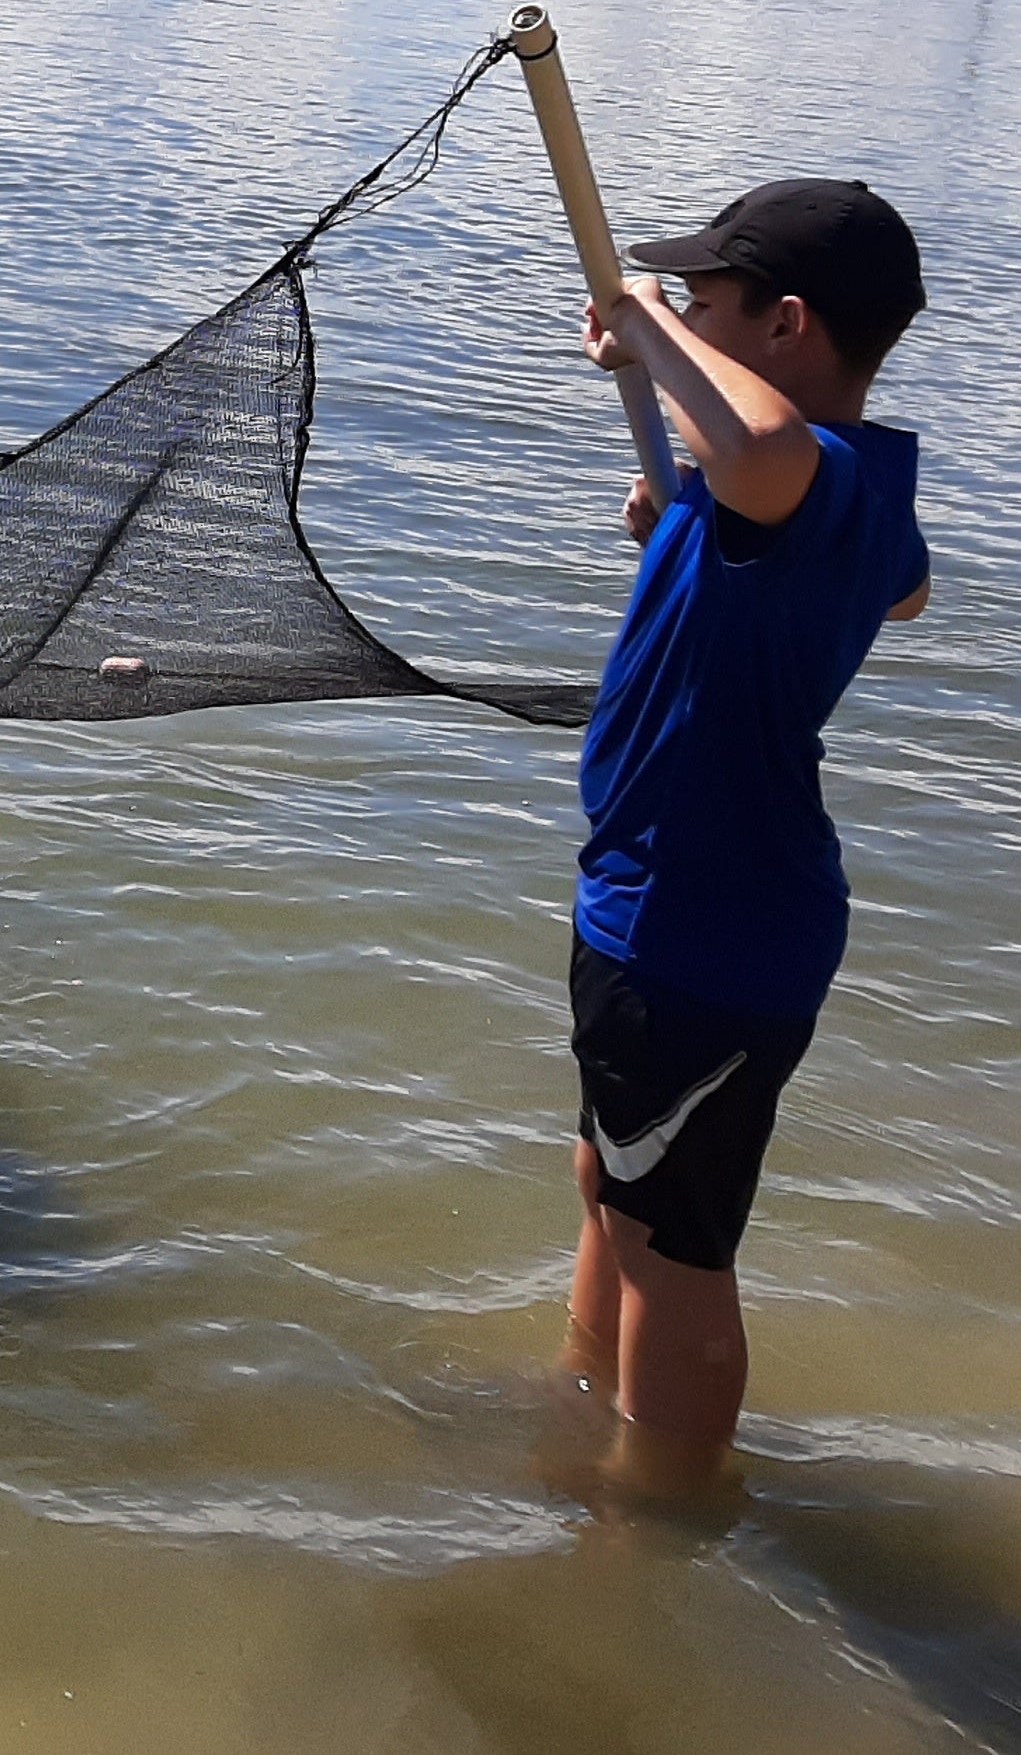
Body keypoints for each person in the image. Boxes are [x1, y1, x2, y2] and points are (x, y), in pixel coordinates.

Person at [561, 178, 929, 1496]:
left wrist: (649, 330)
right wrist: (691, 532)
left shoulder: (805, 470)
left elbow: (767, 447)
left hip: (708, 923)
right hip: (659, 904)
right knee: (615, 1180)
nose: (682, 317)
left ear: (782, 325)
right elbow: (905, 590)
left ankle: (649, 1526)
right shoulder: (832, 493)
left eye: (708, 301)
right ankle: (579, 1406)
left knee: (678, 1251)